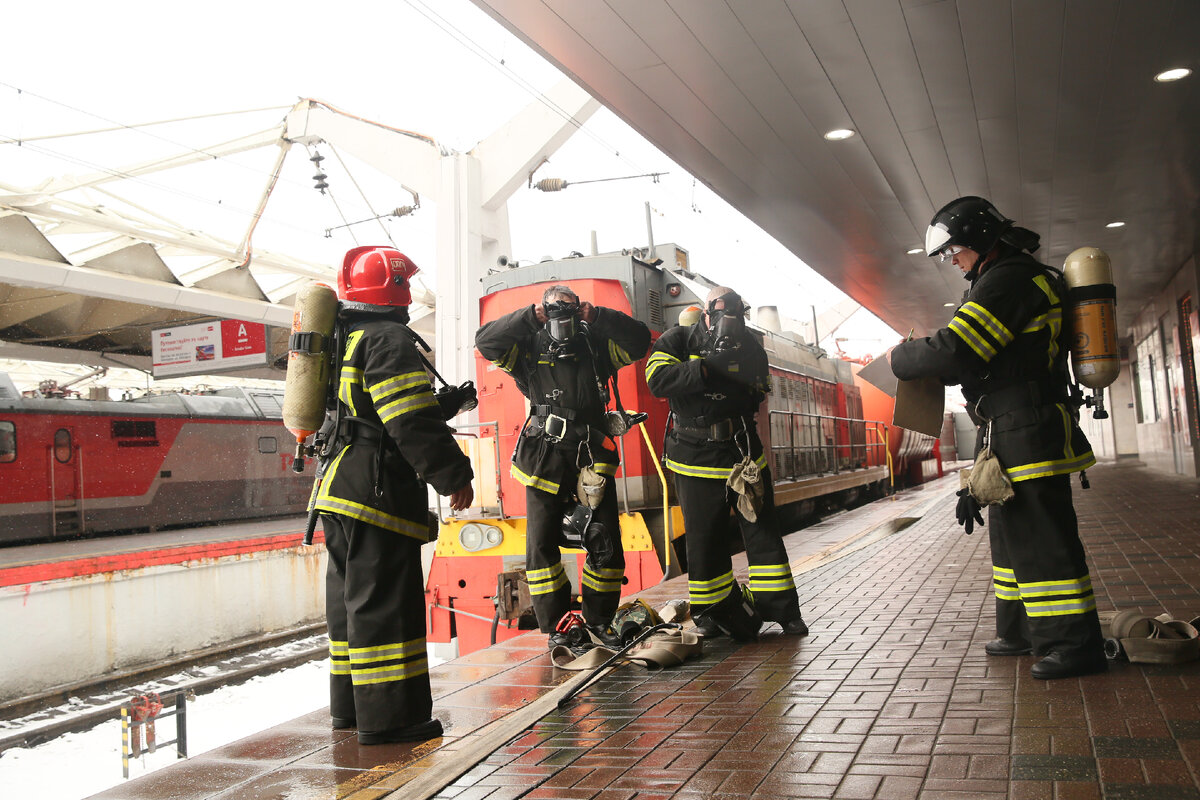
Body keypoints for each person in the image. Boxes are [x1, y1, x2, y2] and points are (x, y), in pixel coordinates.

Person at [888, 196, 1105, 680]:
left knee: (1041, 538)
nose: (953, 260)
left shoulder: (1009, 280)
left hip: (1025, 426)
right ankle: (1022, 630)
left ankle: (1073, 645)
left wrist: (902, 357)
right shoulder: (1006, 277)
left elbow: (956, 350)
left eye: (955, 249)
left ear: (981, 241)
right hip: (1008, 428)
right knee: (1011, 540)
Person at [312, 246, 474, 743]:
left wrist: (441, 403)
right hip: (375, 493)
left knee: (350, 603)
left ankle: (351, 710)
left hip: (337, 488)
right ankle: (394, 721)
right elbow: (407, 420)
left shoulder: (345, 336)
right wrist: (454, 475)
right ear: (398, 291)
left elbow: (370, 409)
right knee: (385, 606)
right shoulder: (387, 339)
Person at [475, 285, 650, 651]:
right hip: (544, 457)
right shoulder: (526, 346)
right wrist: (530, 317)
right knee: (541, 548)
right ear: (544, 312)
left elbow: (638, 341)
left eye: (568, 309)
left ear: (578, 310)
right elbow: (486, 341)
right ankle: (559, 626)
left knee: (604, 540)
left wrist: (597, 316)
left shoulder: (596, 343)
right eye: (555, 310)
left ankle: (600, 622)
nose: (562, 318)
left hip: (591, 455)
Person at [645, 286, 808, 640]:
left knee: (764, 533)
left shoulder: (750, 345)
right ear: (705, 313)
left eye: (733, 313)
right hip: (693, 457)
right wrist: (705, 369)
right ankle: (709, 615)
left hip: (743, 452)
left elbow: (760, 388)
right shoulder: (678, 339)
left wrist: (732, 363)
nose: (726, 320)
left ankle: (783, 612)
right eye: (719, 312)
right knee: (704, 539)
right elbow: (657, 381)